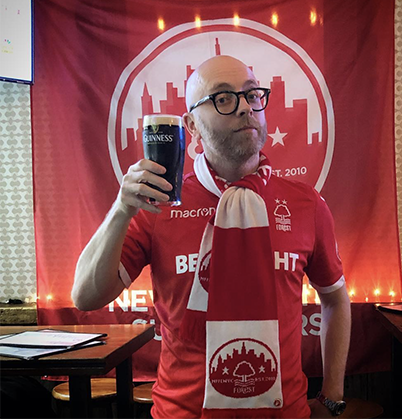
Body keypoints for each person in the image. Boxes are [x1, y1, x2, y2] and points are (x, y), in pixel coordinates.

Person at [72, 55, 351, 419]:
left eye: (252, 95)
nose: (245, 108)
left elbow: (335, 299)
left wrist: (332, 396)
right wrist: (122, 208)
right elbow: (86, 296)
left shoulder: (305, 203)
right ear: (192, 125)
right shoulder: (158, 204)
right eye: (223, 98)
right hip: (182, 414)